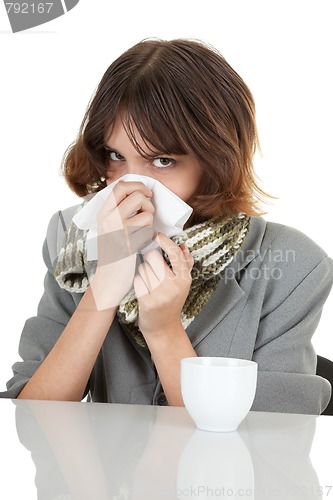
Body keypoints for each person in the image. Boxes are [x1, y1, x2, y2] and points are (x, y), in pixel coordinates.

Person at [1, 38, 332, 414]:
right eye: (116, 156)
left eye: (161, 160)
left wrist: (164, 330)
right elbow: (28, 419)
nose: (132, 186)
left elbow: (268, 446)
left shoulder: (294, 267)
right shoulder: (70, 239)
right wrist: (105, 285)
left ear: (215, 161)